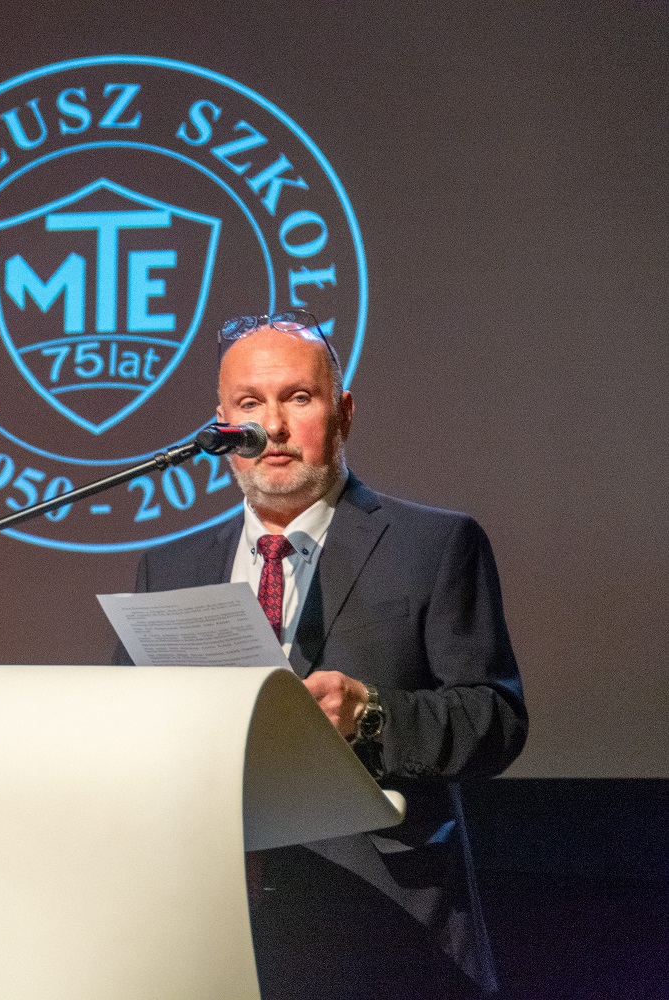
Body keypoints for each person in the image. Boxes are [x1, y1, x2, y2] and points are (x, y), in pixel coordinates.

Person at [114, 311, 527, 999]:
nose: (272, 427)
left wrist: (371, 714)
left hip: (384, 930)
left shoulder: (433, 545)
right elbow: (128, 727)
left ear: (343, 413)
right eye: (250, 404)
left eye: (298, 398)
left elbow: (496, 717)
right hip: (212, 919)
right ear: (222, 423)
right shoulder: (171, 565)